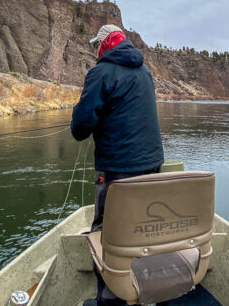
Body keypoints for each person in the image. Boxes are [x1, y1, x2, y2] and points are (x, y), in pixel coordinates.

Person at [71, 24, 164, 306]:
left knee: (107, 233)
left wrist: (78, 113)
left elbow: (80, 127)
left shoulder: (101, 72)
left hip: (117, 170)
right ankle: (147, 288)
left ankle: (111, 299)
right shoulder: (144, 70)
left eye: (96, 45)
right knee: (143, 225)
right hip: (152, 166)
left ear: (105, 44)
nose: (95, 50)